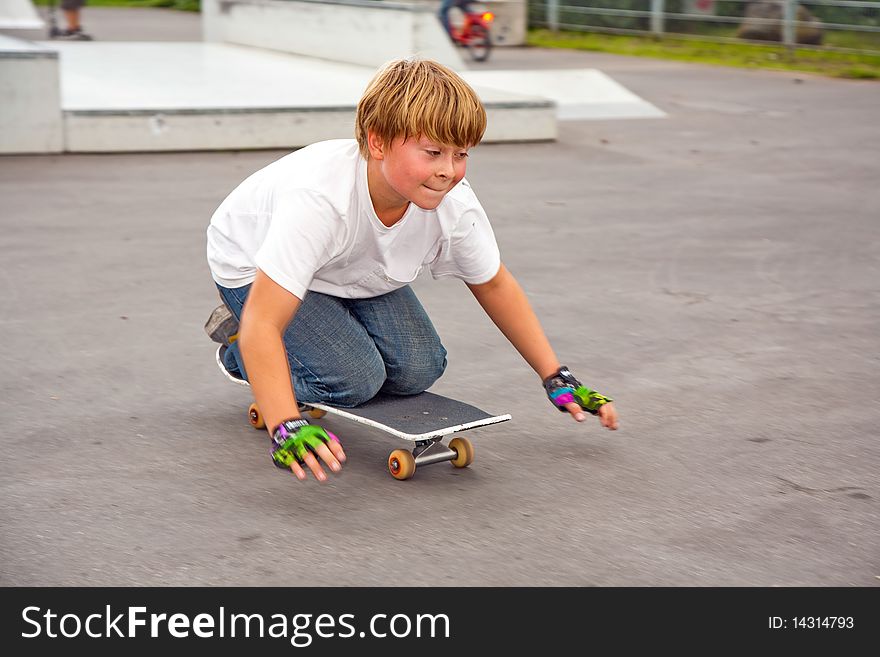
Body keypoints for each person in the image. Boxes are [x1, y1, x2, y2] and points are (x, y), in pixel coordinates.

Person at [205, 58, 619, 483]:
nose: (448, 171)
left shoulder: (453, 206)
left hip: (351, 268)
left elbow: (494, 284)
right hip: (253, 267)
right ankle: (238, 351)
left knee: (419, 369)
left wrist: (555, 375)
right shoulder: (320, 201)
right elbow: (264, 322)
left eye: (461, 155)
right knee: (353, 380)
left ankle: (315, 332)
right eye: (434, 152)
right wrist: (284, 422)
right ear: (379, 142)